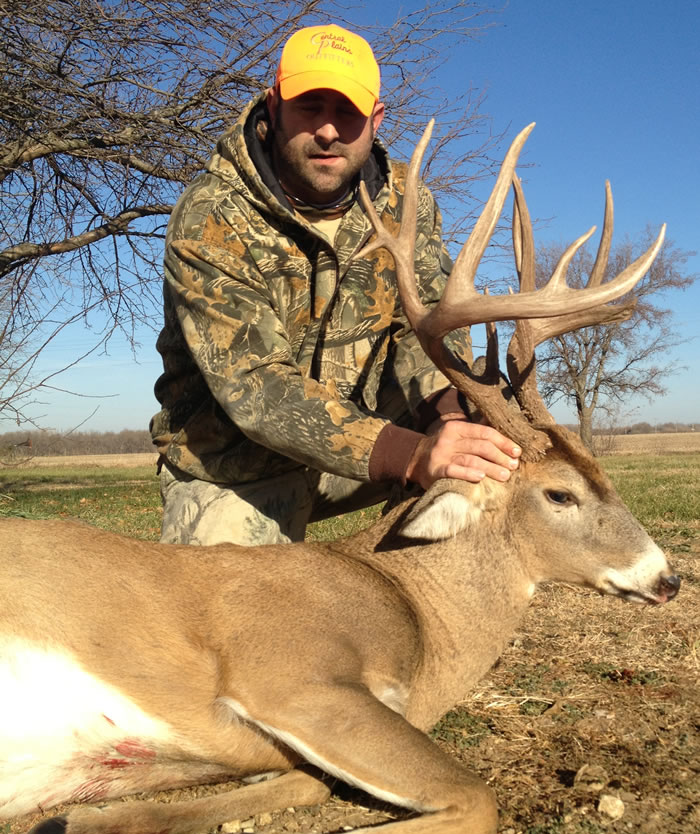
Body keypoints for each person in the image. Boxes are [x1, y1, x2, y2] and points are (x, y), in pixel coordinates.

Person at [150, 24, 521, 546]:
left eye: (345, 112)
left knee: (488, 447)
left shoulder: (405, 207)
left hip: (361, 444)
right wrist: (413, 455)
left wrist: (445, 420)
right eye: (309, 106)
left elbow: (422, 327)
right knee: (225, 613)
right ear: (273, 106)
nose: (327, 131)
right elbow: (256, 386)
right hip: (233, 468)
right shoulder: (212, 216)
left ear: (375, 121)